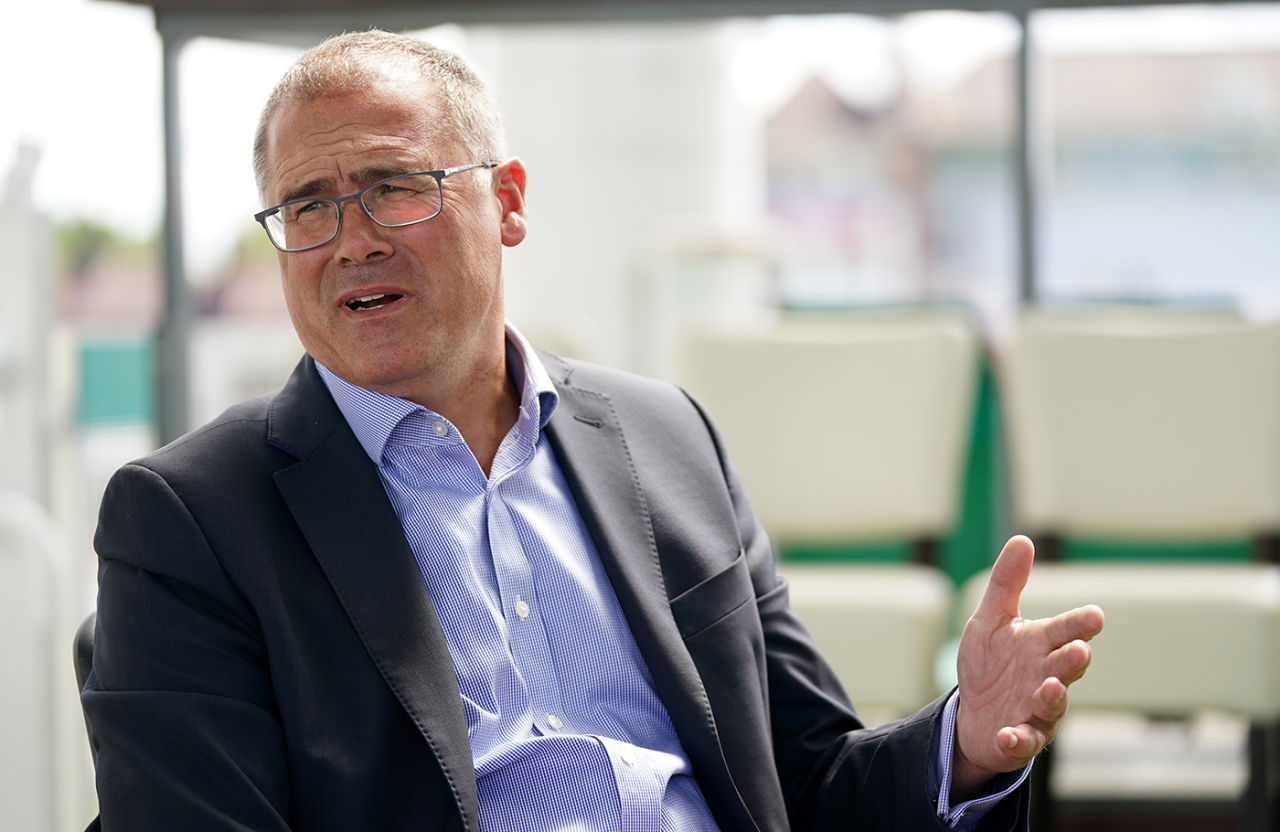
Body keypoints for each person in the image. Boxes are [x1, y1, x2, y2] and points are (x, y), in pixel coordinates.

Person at [81, 29, 1104, 832]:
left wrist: (960, 744)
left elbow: (804, 783)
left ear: (508, 202)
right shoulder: (189, 518)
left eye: (393, 187)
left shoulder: (666, 439)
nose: (350, 240)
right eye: (307, 205)